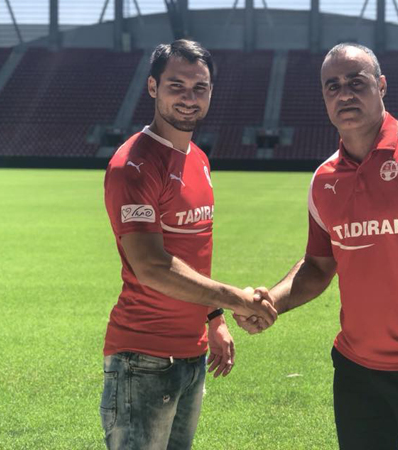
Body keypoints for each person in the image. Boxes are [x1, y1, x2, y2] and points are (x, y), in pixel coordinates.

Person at [235, 43, 398, 450]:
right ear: (324, 97)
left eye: (356, 83)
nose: (345, 94)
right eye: (333, 86)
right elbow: (318, 265)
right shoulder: (323, 180)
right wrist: (272, 303)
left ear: (381, 86)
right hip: (355, 371)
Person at [100, 40, 277, 450]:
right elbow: (152, 266)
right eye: (176, 86)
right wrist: (237, 299)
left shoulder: (198, 158)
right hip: (142, 357)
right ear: (152, 87)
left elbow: (192, 255)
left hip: (191, 355)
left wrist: (214, 318)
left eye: (200, 88)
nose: (188, 98)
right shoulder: (134, 166)